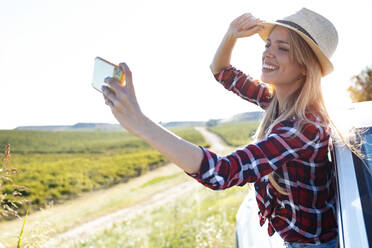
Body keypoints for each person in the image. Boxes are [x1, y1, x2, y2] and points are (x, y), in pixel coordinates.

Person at [102, 7, 340, 248]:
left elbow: (222, 172)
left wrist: (142, 125)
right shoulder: (277, 101)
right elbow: (222, 72)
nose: (268, 53)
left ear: (304, 66)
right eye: (268, 44)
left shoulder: (303, 128)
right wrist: (231, 34)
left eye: (283, 48)